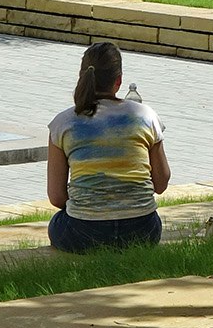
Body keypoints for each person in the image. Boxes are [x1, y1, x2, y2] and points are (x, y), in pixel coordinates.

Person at [47, 41, 171, 253]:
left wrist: (91, 207)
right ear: (119, 81)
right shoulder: (145, 116)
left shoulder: (63, 123)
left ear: (82, 76)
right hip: (143, 229)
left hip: (84, 231)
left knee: (57, 223)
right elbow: (161, 183)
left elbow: (57, 197)